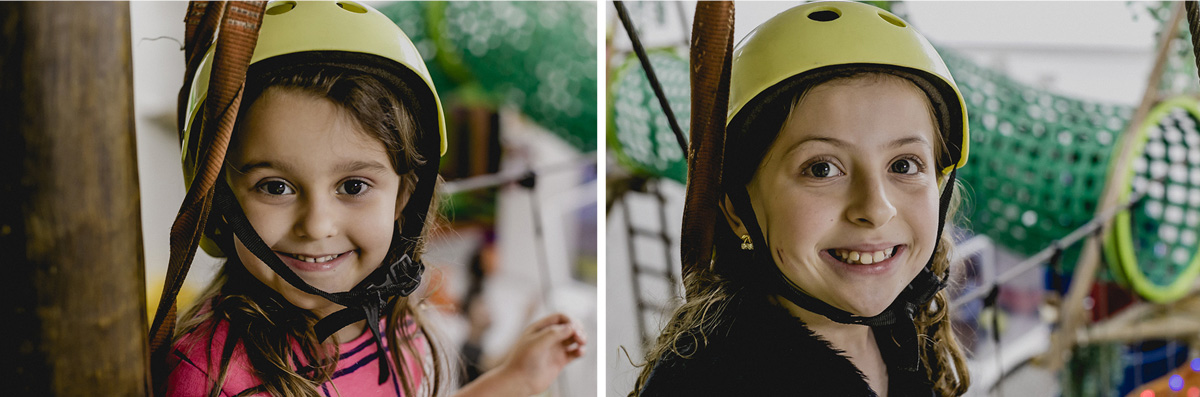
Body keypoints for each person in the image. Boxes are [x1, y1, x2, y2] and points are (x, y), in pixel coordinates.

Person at [164, 2, 585, 396]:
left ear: (404, 196)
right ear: (219, 202)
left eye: (353, 186)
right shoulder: (210, 377)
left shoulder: (394, 324)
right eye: (276, 187)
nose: (317, 225)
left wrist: (513, 379)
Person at [633, 2, 971, 396]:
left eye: (904, 165)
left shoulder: (901, 338)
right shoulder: (706, 383)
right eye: (822, 169)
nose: (877, 209)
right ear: (736, 210)